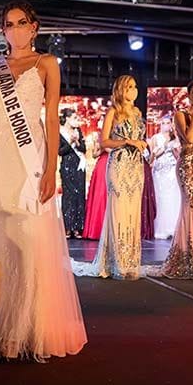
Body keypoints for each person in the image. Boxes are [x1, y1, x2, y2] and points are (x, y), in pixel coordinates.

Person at [0, 0, 87, 360]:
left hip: (29, 162)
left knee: (30, 245)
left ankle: (28, 327)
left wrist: (50, 168)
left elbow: (50, 120)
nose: (16, 29)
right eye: (9, 24)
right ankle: (1, 325)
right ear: (2, 30)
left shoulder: (46, 63)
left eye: (22, 23)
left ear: (34, 27)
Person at [72, 75, 147, 280]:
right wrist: (128, 143)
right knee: (119, 211)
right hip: (119, 164)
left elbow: (139, 138)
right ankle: (115, 262)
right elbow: (105, 142)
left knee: (132, 212)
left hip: (135, 166)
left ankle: (130, 262)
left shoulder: (138, 113)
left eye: (135, 86)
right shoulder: (113, 112)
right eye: (129, 87)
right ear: (121, 90)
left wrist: (140, 143)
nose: (133, 90)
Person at [154, 79, 193, 279]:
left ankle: (183, 257)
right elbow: (190, 139)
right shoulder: (181, 115)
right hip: (188, 166)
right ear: (189, 95)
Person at [151, 116, 181, 239]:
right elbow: (152, 157)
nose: (165, 125)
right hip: (159, 171)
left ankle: (173, 227)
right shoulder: (155, 138)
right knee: (160, 198)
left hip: (171, 171)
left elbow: (179, 156)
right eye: (163, 123)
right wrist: (162, 148)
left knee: (172, 197)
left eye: (167, 123)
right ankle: (160, 228)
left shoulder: (175, 138)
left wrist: (173, 148)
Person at [58, 108, 87, 238]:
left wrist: (77, 142)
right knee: (68, 196)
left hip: (79, 166)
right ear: (67, 118)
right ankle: (68, 228)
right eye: (74, 118)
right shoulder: (60, 132)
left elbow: (84, 149)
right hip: (67, 165)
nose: (77, 121)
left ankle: (78, 228)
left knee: (79, 195)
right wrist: (70, 142)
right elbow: (60, 151)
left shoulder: (78, 131)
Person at [82, 130, 108, 240]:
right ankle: (96, 229)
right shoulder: (100, 140)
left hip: (113, 165)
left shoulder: (116, 139)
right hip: (102, 166)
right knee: (100, 194)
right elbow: (94, 155)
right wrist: (103, 148)